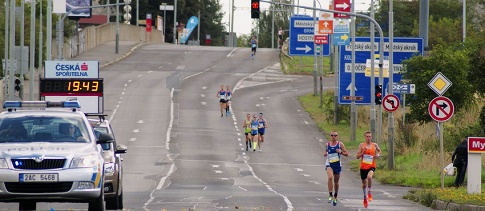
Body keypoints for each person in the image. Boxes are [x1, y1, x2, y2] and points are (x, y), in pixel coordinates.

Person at [356, 131, 381, 208]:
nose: (368, 138)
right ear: (365, 137)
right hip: (363, 167)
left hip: (371, 165)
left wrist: (378, 155)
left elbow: (379, 150)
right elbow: (357, 156)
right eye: (367, 136)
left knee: (369, 177)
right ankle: (364, 198)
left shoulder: (374, 145)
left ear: (371, 137)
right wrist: (363, 152)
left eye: (369, 136)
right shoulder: (361, 145)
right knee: (364, 184)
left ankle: (369, 193)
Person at [323, 130, 348, 206]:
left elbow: (346, 154)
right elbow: (326, 152)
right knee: (330, 177)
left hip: (337, 164)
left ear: (337, 136)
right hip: (329, 163)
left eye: (335, 135)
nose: (333, 137)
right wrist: (325, 153)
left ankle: (335, 195)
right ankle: (330, 194)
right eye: (332, 135)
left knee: (336, 182)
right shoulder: (327, 144)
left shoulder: (340, 144)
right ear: (330, 136)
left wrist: (340, 152)